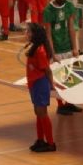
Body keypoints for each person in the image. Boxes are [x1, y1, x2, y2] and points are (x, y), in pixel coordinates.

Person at [42, 0, 83, 116]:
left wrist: (75, 47)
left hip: (68, 46)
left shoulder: (69, 6)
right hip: (57, 48)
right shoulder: (48, 10)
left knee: (70, 76)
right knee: (59, 78)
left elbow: (72, 27)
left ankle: (70, 103)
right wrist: (52, 53)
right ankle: (61, 105)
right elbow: (48, 33)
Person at [25, 23, 56, 153]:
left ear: (35, 34)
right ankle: (40, 139)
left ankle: (50, 143)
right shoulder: (33, 47)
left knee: (42, 112)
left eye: (28, 31)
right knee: (38, 112)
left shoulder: (40, 50)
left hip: (40, 83)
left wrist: (52, 85)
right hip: (33, 83)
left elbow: (47, 70)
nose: (26, 34)